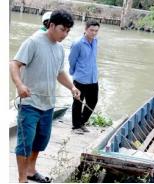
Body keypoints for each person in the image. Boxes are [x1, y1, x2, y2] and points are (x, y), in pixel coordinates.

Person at [9, 9, 80, 183]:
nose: (65, 34)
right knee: (25, 143)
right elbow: (14, 64)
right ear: (52, 25)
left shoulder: (59, 49)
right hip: (29, 103)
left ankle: (31, 171)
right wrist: (19, 85)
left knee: (41, 140)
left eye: (68, 31)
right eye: (62, 29)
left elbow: (59, 72)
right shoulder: (33, 42)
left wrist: (72, 87)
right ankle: (21, 179)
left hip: (48, 104)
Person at [68, 20, 100, 134]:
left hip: (93, 78)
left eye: (96, 31)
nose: (94, 33)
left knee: (93, 101)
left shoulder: (96, 41)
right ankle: (76, 126)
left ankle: (81, 122)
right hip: (81, 78)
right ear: (85, 29)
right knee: (78, 102)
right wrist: (73, 73)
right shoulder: (78, 43)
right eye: (91, 30)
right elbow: (72, 59)